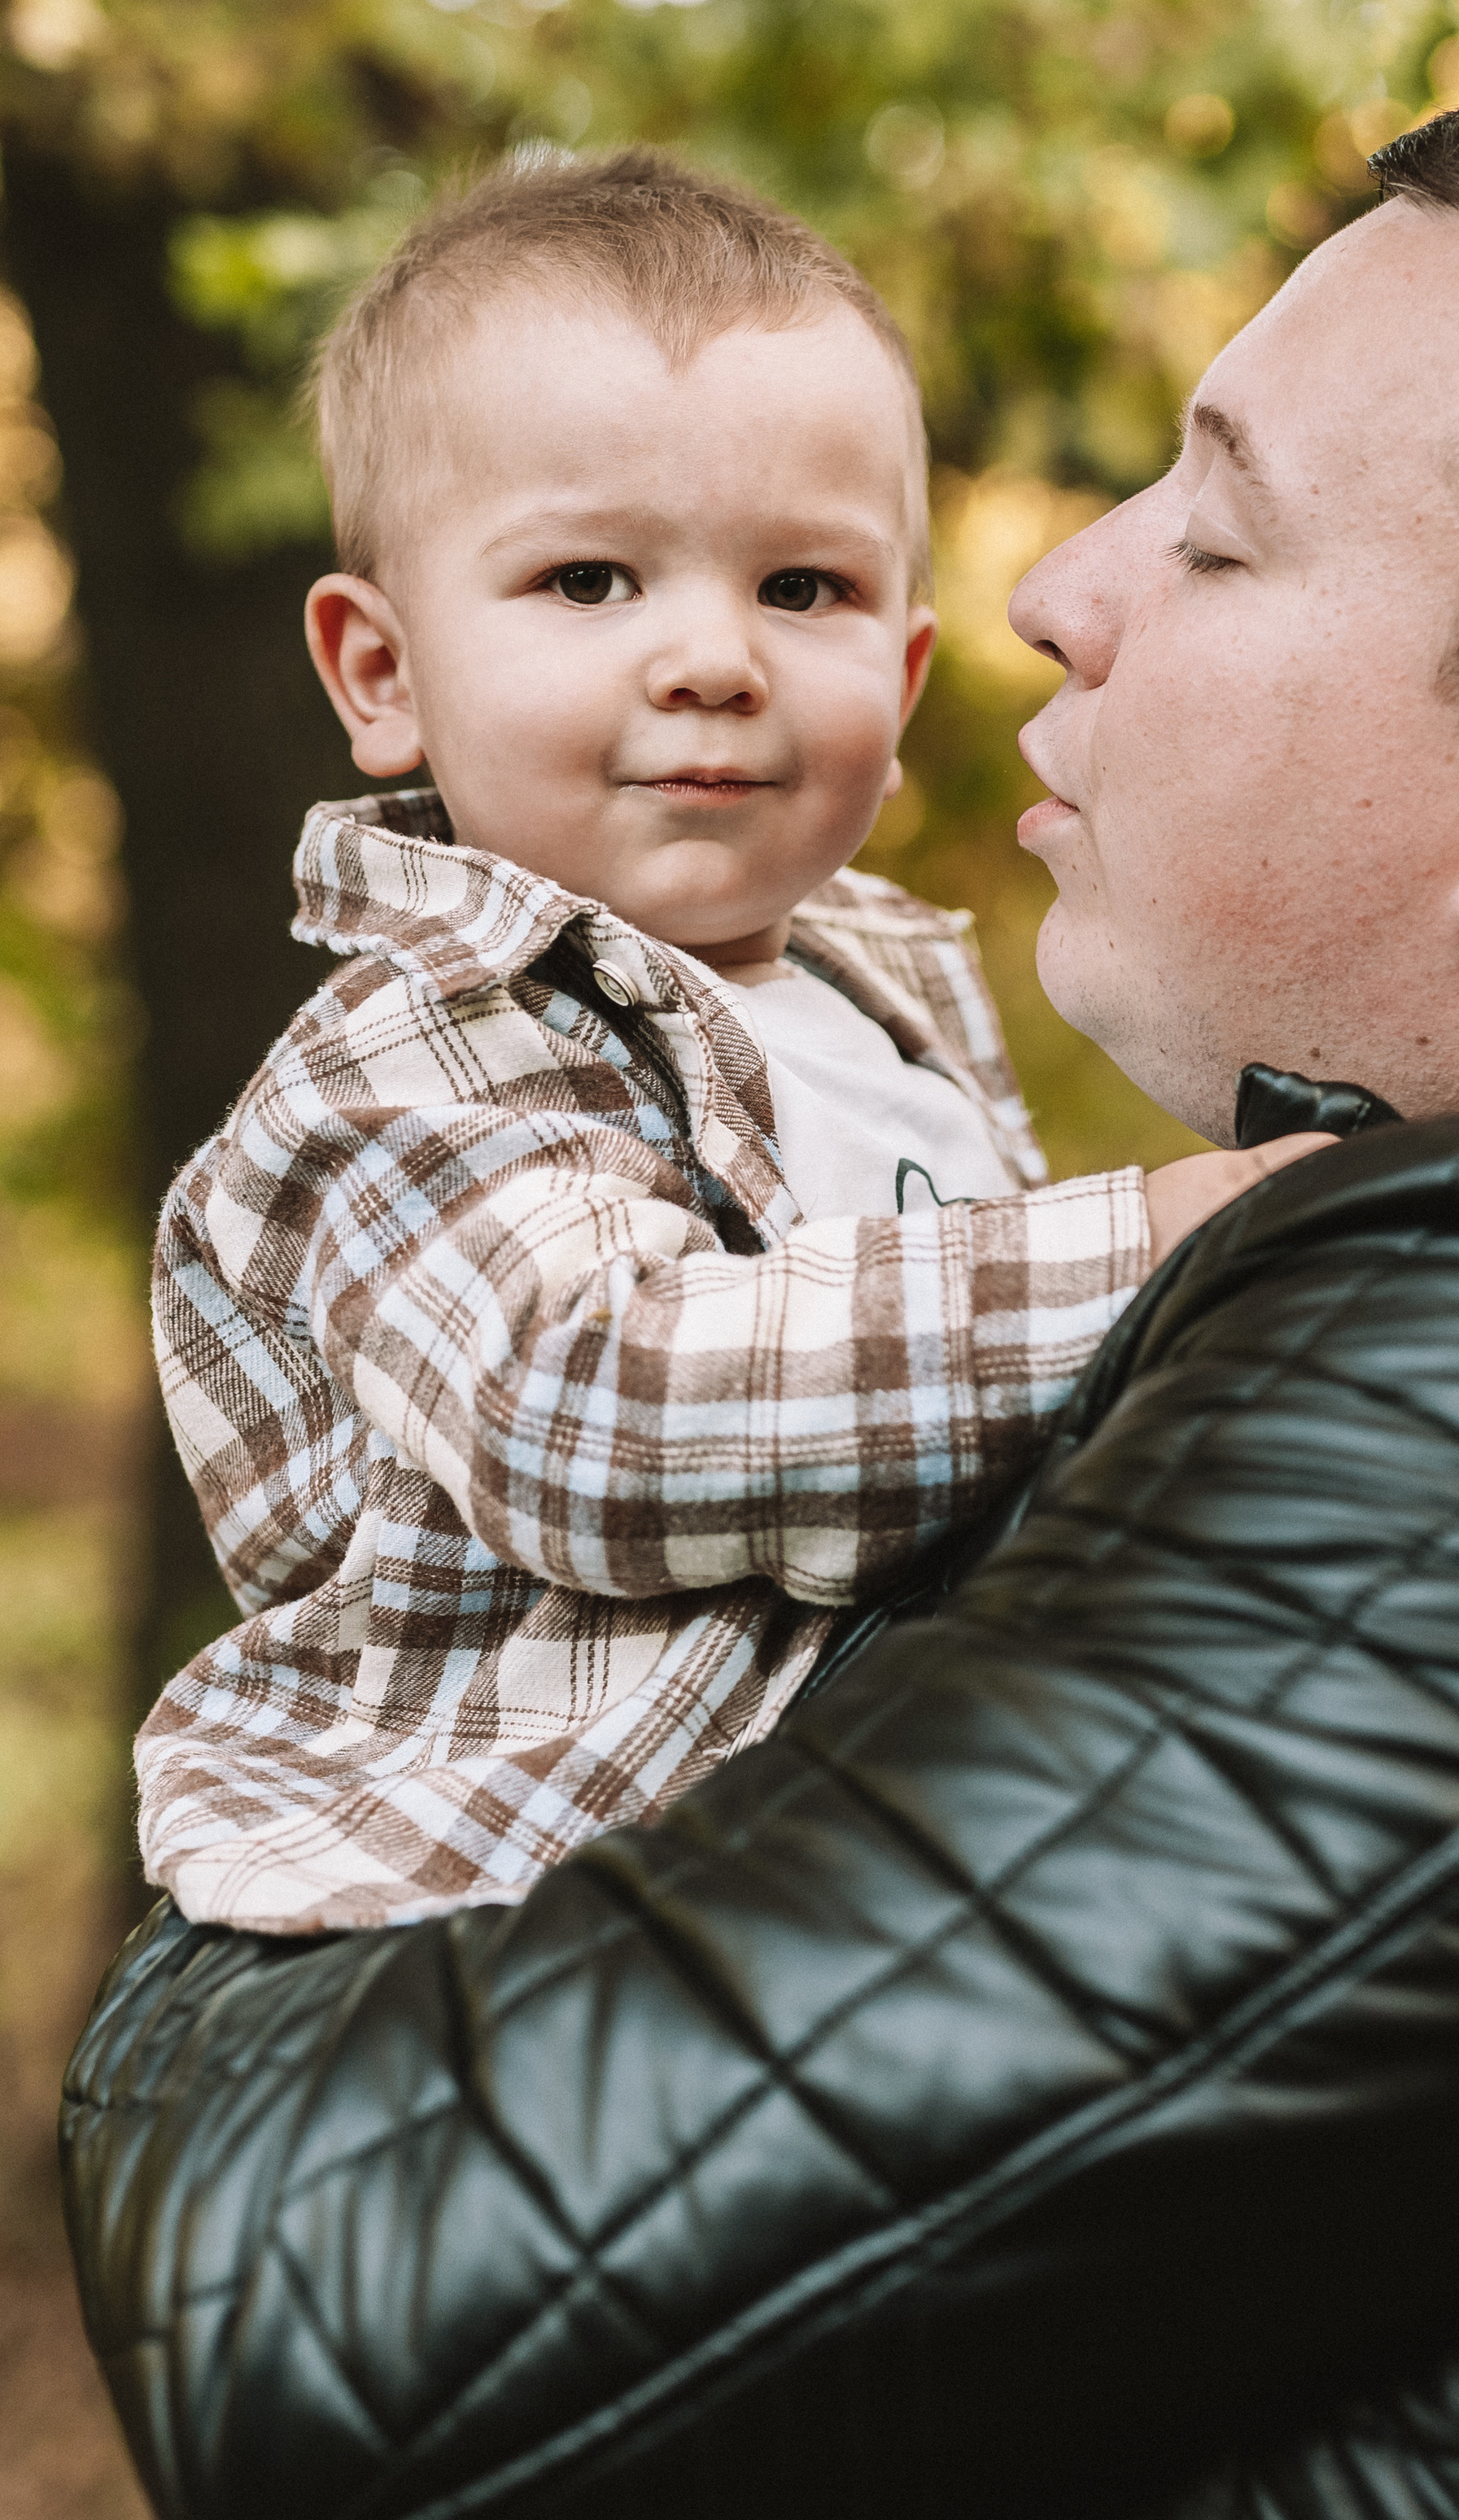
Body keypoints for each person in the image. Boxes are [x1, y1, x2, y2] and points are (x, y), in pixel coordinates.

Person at [64, 93, 1459, 2520]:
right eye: (590, 575)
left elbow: (330, 2365)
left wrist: (172, 2029)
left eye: (1216, 530)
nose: (1051, 588)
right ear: (383, 662)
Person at [135, 148, 1317, 1937]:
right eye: (592, 580)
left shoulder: (882, 999)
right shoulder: (415, 1058)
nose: (711, 658)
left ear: (904, 682)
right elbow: (592, 1413)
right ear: (379, 671)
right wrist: (1154, 1243)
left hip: (862, 1847)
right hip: (524, 1911)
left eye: (802, 591)